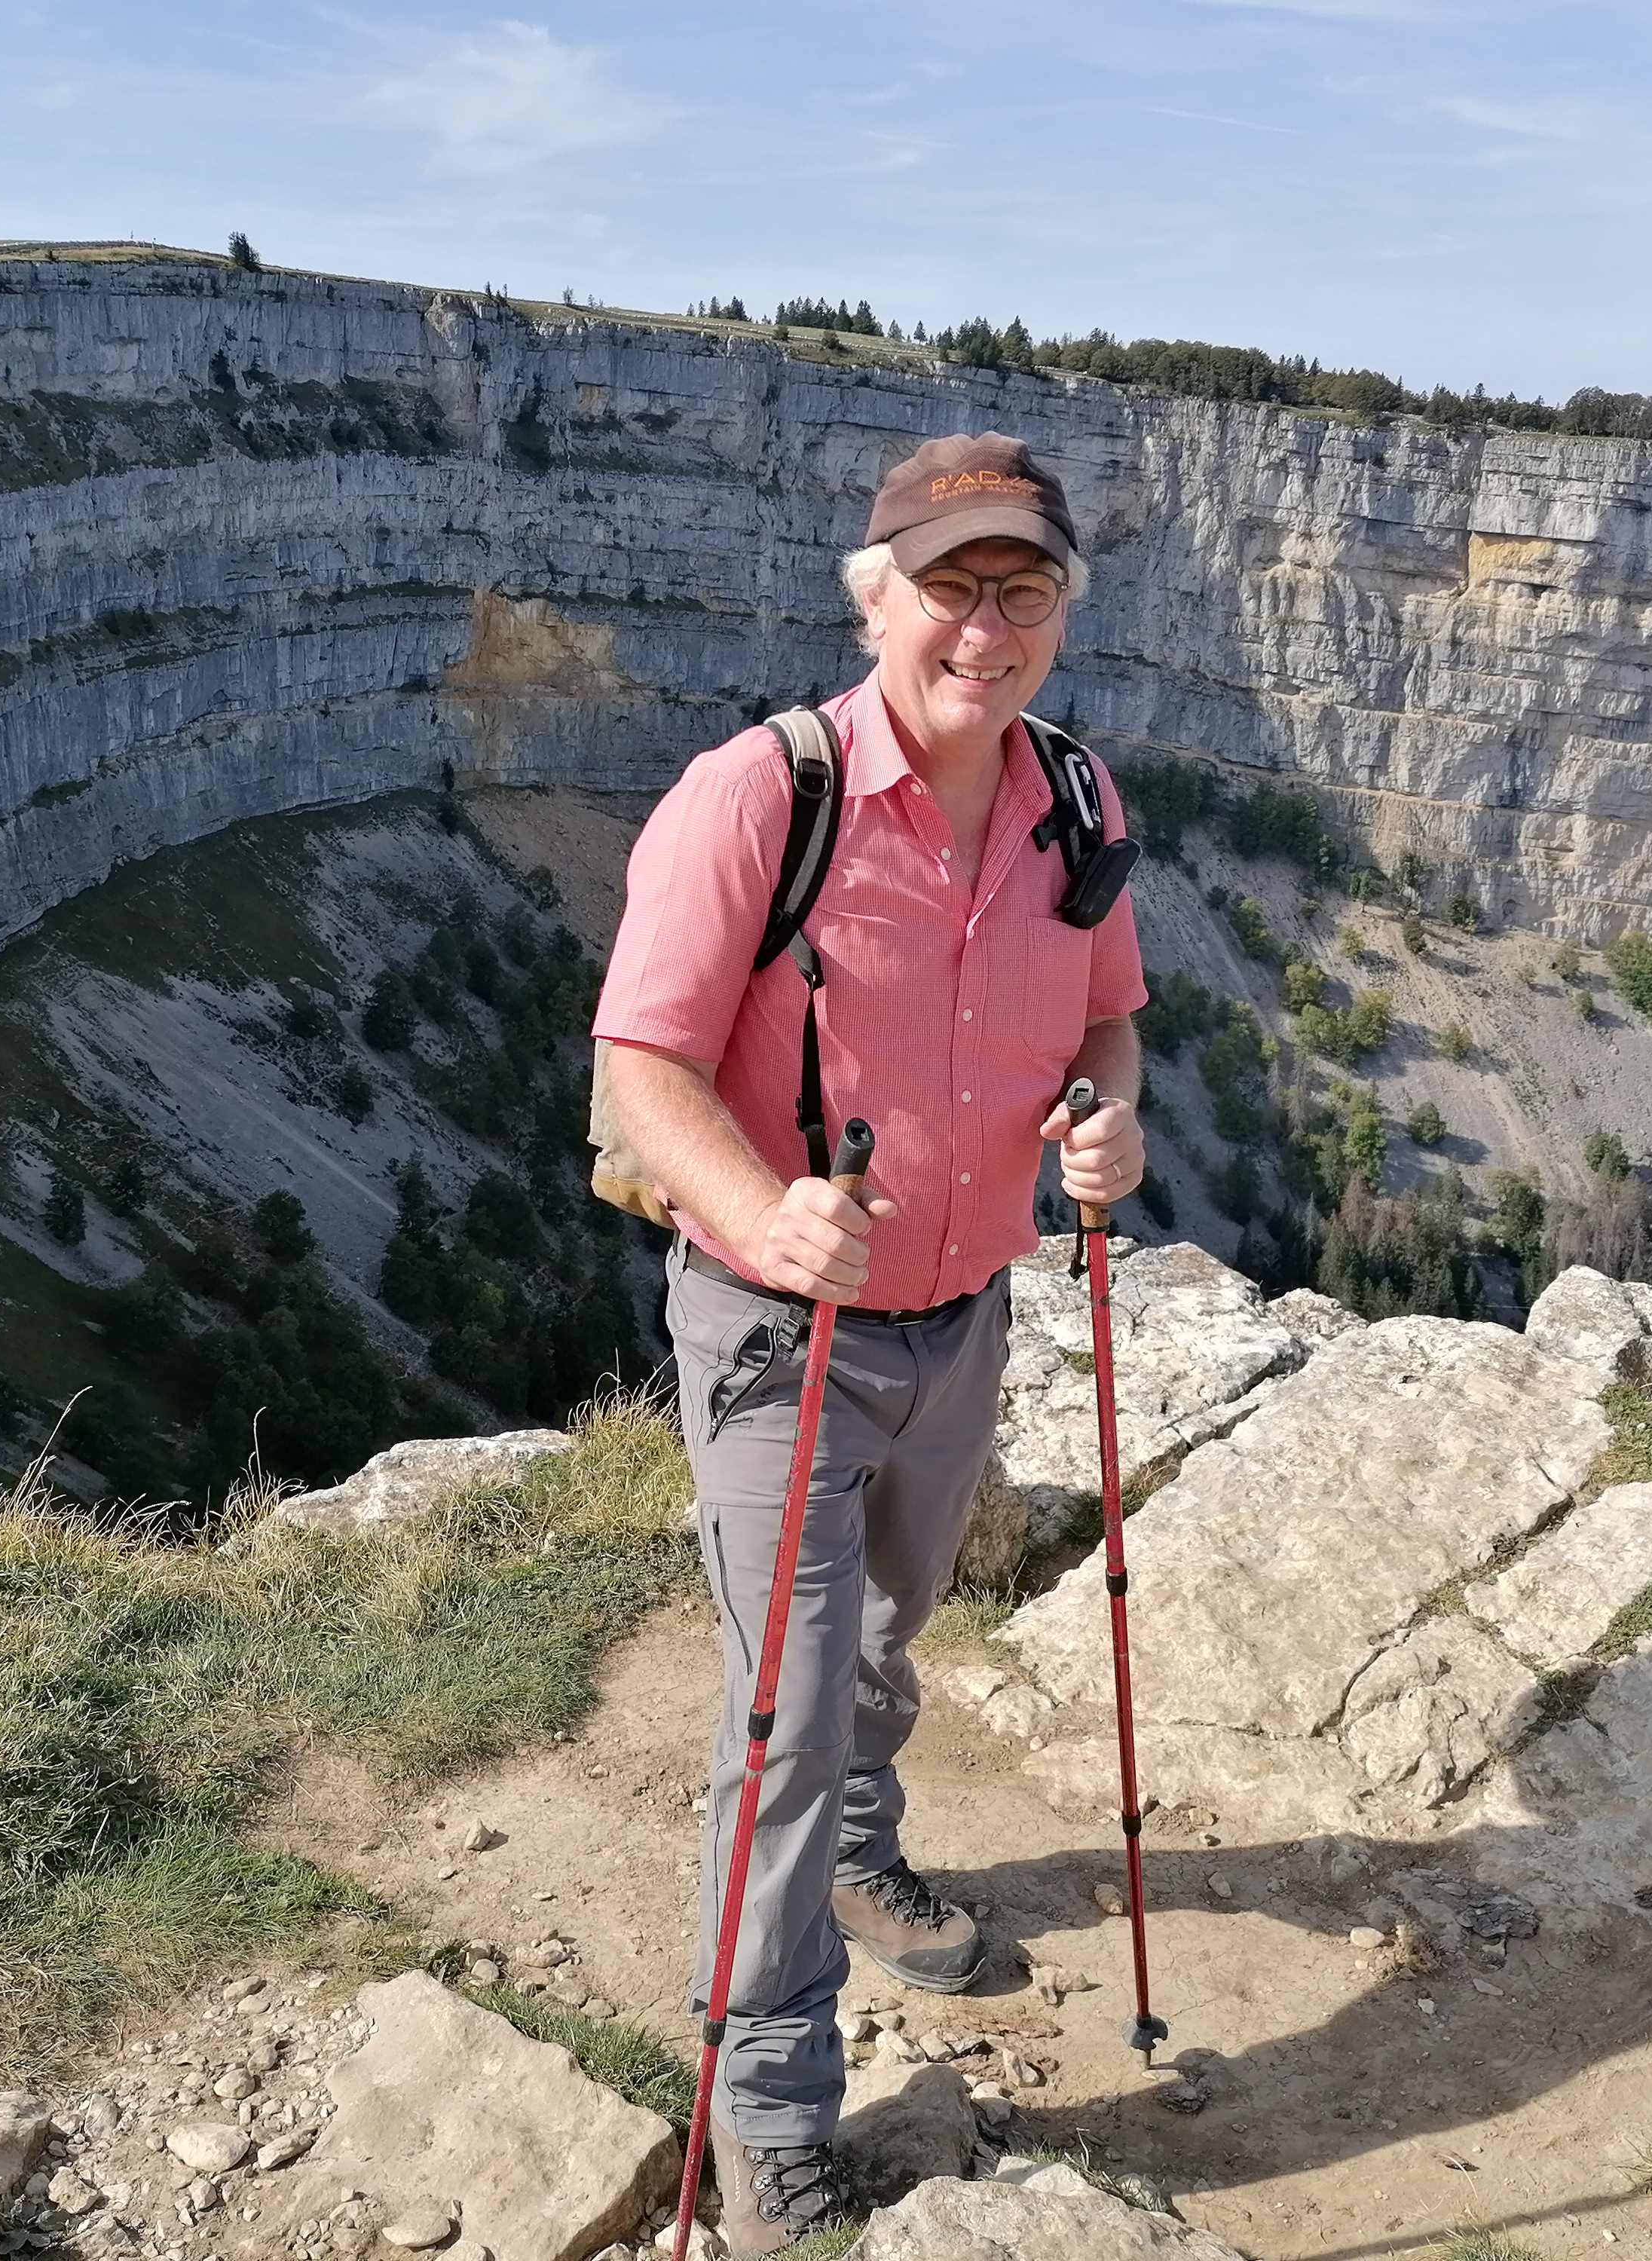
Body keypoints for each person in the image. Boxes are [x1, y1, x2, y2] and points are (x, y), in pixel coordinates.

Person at [592, 430, 1147, 2251]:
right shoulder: (761, 795)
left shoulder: (1076, 800)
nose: (984, 624)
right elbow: (638, 1064)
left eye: (1023, 585)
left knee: (894, 1635)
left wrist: (1103, 1119)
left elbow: (1113, 1021)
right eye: (949, 584)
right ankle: (764, 2112)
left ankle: (854, 1847)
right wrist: (755, 1213)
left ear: (1061, 605)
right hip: (781, 1336)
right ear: (873, 594)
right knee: (791, 1705)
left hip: (964, 1315)